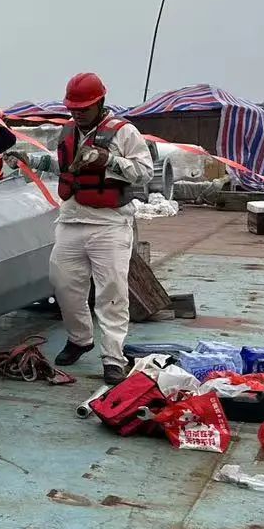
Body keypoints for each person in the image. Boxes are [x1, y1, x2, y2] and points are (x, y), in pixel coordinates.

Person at [50, 72, 154, 383]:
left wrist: (108, 159)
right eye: (73, 109)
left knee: (112, 293)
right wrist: (32, 160)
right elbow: (63, 166)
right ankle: (80, 338)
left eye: (83, 108)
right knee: (63, 284)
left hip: (110, 223)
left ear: (100, 103)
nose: (77, 114)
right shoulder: (67, 132)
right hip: (71, 220)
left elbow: (144, 172)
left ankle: (113, 358)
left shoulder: (125, 133)